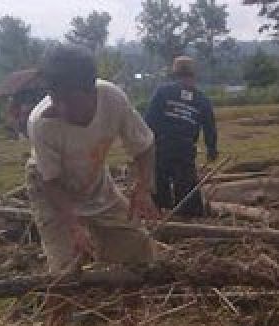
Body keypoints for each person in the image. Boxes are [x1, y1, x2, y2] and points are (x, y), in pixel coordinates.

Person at [25, 44, 159, 276]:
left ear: (91, 90)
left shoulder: (113, 99)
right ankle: (59, 312)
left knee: (137, 251)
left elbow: (144, 145)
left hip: (94, 181)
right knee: (64, 272)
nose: (61, 108)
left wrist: (143, 186)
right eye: (55, 99)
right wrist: (73, 224)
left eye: (69, 100)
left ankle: (132, 311)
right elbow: (50, 181)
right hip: (51, 190)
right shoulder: (41, 123)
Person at [144, 56, 219, 217]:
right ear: (193, 75)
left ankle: (159, 211)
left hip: (161, 145)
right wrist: (211, 149)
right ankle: (188, 216)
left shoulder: (162, 92)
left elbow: (149, 120)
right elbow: (209, 127)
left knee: (159, 181)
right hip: (185, 149)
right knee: (186, 185)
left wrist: (145, 145)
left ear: (174, 73)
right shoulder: (201, 99)